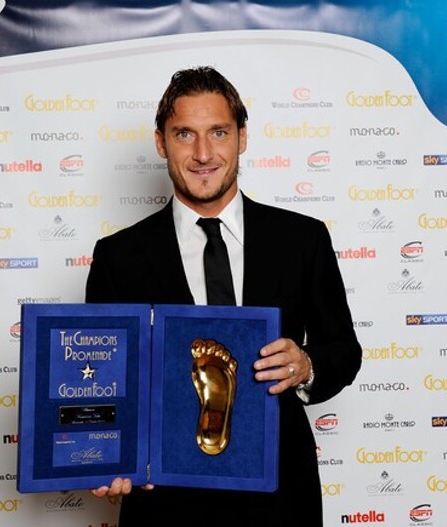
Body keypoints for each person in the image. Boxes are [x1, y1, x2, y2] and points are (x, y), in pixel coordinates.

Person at [85, 66, 362, 527]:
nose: (203, 153)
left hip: (280, 498)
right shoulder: (118, 257)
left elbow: (344, 351)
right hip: (165, 504)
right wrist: (106, 456)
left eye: (218, 132)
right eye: (184, 134)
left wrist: (306, 365)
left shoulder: (302, 239)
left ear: (242, 137)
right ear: (161, 143)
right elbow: (104, 382)